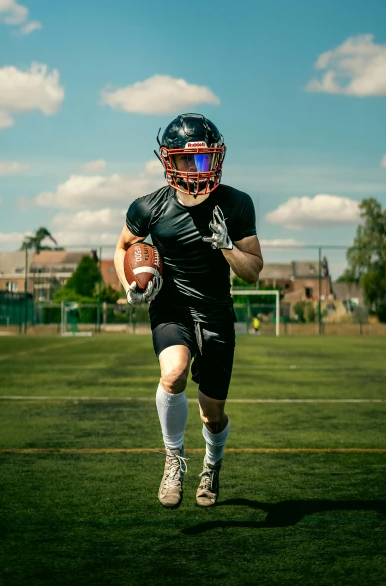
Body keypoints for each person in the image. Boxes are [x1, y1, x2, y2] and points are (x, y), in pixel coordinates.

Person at [114, 113, 263, 509]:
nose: (197, 169)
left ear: (216, 159)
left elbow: (253, 271)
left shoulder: (235, 204)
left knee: (212, 415)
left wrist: (228, 246)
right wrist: (130, 284)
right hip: (171, 307)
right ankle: (173, 459)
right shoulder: (149, 206)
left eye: (204, 159)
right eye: (187, 159)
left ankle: (212, 465)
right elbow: (121, 248)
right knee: (174, 373)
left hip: (215, 313)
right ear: (169, 161)